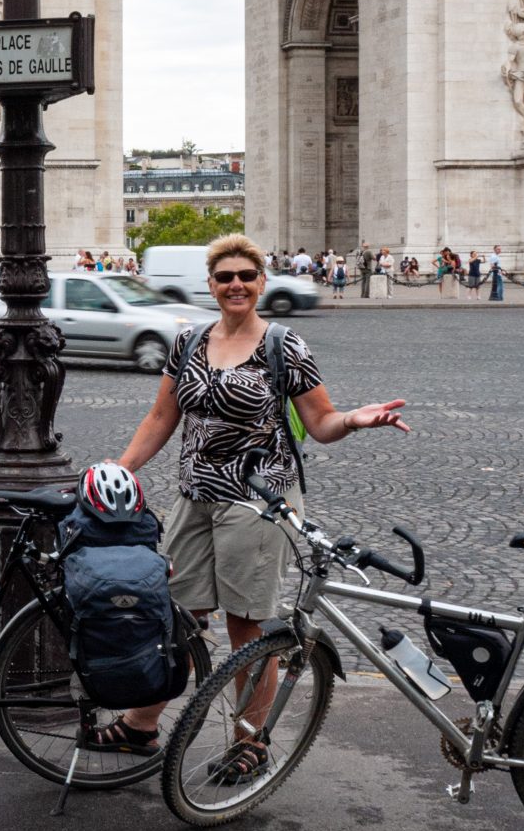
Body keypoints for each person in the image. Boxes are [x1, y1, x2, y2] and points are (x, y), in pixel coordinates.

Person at [93, 232, 410, 773]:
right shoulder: (188, 341)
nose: (235, 285)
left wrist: (354, 421)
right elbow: (162, 418)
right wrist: (120, 469)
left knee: (246, 627)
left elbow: (320, 422)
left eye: (246, 276)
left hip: (260, 502)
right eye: (225, 277)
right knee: (178, 617)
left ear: (261, 282)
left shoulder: (284, 346)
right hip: (195, 497)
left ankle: (250, 742)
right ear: (211, 284)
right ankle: (142, 727)